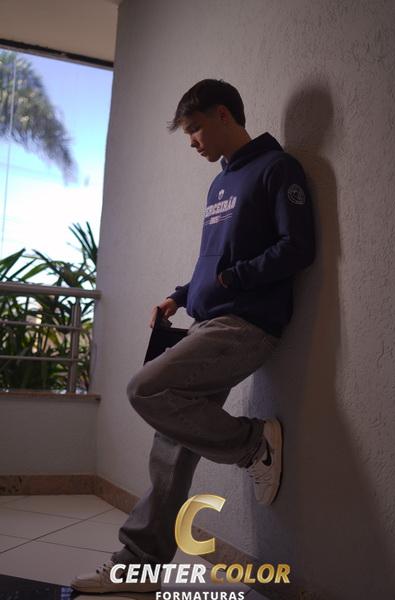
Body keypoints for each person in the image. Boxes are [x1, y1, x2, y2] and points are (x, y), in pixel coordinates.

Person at [71, 79, 315, 594]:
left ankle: (253, 443)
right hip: (209, 322)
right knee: (172, 445)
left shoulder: (277, 168)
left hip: (246, 323)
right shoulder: (220, 184)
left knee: (145, 388)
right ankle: (139, 565)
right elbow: (213, 261)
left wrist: (234, 279)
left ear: (224, 115)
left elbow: (298, 247)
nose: (192, 142)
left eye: (196, 129)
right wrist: (180, 295)